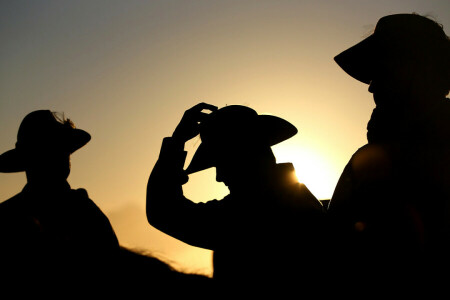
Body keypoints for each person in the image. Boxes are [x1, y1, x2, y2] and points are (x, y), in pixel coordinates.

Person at [146, 103, 326, 293]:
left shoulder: (250, 213)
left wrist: (177, 141)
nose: (219, 177)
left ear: (246, 155)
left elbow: (164, 212)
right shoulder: (295, 201)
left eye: (222, 162)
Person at [328, 13, 450, 291]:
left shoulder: (377, 158)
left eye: (381, 71)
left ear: (416, 69)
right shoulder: (370, 156)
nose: (371, 86)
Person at [0, 110, 120, 284]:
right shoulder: (84, 211)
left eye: (62, 151)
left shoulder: (6, 215)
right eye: (53, 151)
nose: (63, 157)